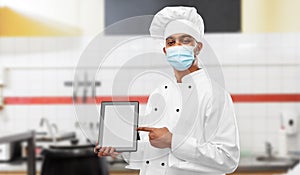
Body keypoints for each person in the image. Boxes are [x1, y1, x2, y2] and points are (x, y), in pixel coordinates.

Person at [94, 6, 240, 175]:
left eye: (185, 41)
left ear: (198, 47)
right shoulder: (159, 93)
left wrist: (173, 141)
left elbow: (228, 158)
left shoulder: (215, 95)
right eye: (171, 42)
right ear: (165, 51)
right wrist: (122, 148)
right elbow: (154, 154)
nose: (177, 46)